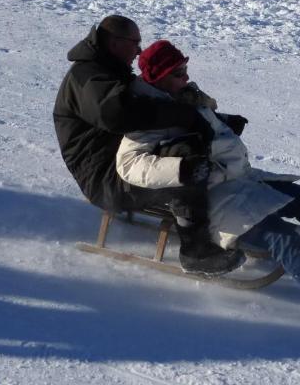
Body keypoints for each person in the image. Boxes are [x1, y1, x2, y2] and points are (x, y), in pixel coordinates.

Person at [117, 41, 300, 330]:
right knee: (283, 238)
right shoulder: (147, 112)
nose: (186, 76)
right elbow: (129, 164)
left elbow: (197, 124)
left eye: (185, 69)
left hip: (236, 178)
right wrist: (183, 169)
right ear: (158, 77)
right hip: (207, 199)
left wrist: (224, 120)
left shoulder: (181, 95)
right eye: (178, 72)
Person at [53, 15, 243, 276]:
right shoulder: (88, 77)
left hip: (122, 164)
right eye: (135, 43)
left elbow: (153, 106)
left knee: (188, 147)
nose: (139, 50)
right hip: (105, 179)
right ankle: (196, 251)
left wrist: (215, 120)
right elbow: (118, 114)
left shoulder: (108, 71)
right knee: (182, 163)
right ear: (115, 43)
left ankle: (217, 217)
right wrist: (185, 116)